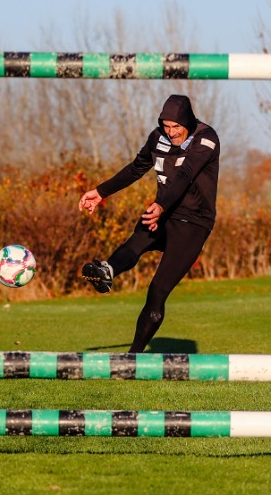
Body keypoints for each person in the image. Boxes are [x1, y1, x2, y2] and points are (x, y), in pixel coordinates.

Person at [78, 94, 219, 353]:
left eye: (176, 126)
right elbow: (136, 168)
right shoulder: (157, 138)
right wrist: (100, 192)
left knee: (157, 290)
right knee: (135, 242)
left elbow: (186, 175)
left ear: (187, 121)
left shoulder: (207, 139)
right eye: (166, 126)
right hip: (162, 214)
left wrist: (162, 204)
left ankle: (134, 357)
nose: (171, 132)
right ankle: (108, 271)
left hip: (193, 223)